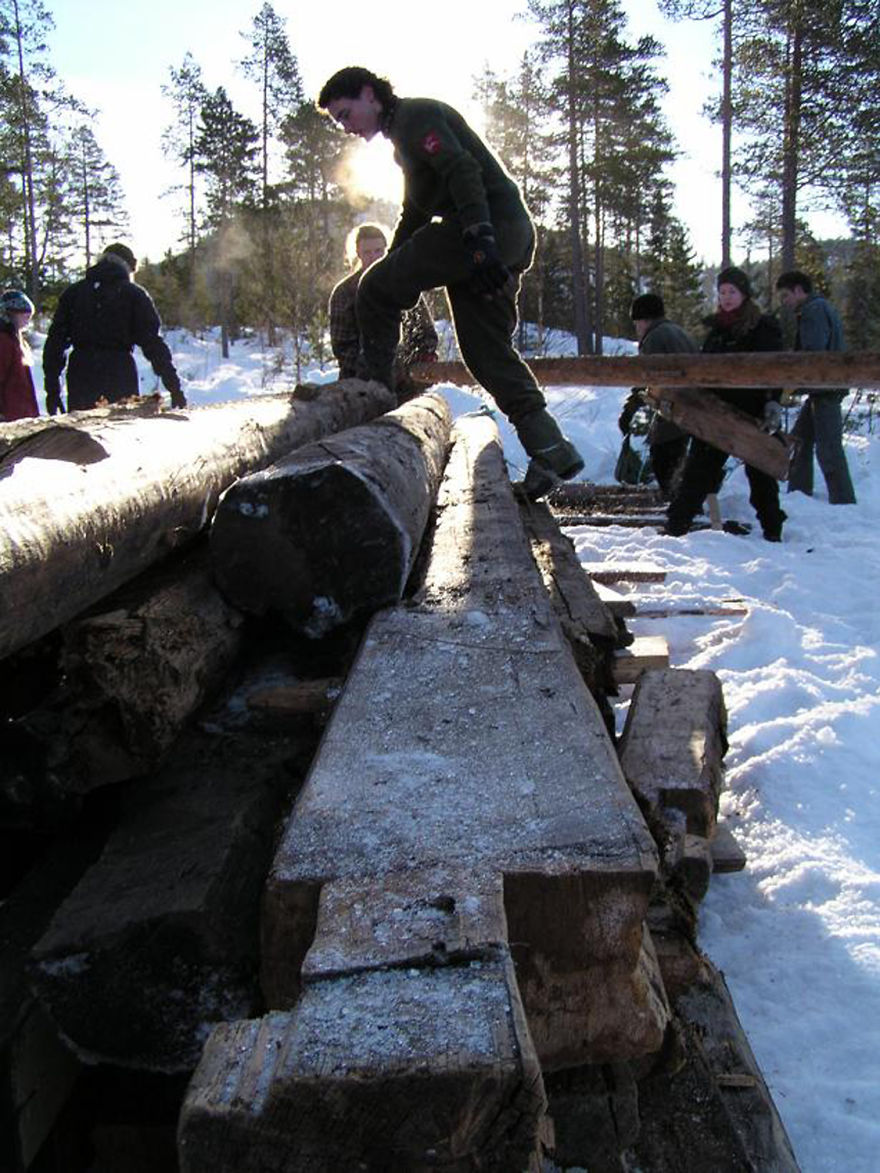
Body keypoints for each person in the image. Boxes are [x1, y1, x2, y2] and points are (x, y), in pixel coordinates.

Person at [317, 67, 583, 500]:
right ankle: (549, 447)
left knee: (372, 292)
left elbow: (462, 171)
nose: (347, 127)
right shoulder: (403, 140)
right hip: (504, 232)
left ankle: (375, 399)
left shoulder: (414, 118)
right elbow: (415, 215)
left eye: (346, 114)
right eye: (339, 122)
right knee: (485, 351)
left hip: (482, 228)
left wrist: (480, 239)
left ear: (370, 94)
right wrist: (392, 261)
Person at [665, 266, 788, 542]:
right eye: (722, 292)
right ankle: (675, 531)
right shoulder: (716, 330)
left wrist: (772, 402)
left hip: (752, 411)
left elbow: (775, 368)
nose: (727, 297)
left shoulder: (762, 327)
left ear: (744, 294)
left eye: (732, 291)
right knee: (697, 473)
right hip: (716, 414)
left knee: (761, 476)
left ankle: (773, 534)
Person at [42, 243, 185, 414]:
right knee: (120, 431)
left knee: (81, 433)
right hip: (119, 371)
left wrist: (52, 390)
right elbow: (153, 344)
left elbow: (55, 344)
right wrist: (174, 387)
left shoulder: (74, 293)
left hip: (81, 373)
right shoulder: (133, 294)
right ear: (128, 267)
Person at [775, 269, 856, 504]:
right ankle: (800, 495)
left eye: (786, 296)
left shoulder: (813, 311)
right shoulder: (818, 308)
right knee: (800, 441)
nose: (786, 302)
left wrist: (792, 382)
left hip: (826, 389)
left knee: (829, 451)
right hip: (820, 390)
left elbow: (813, 355)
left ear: (799, 290)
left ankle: (844, 503)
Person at [330, 222, 439, 390]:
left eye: (378, 251)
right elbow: (342, 348)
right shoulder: (344, 292)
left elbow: (426, 335)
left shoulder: (404, 285)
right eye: (367, 252)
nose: (374, 257)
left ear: (386, 250)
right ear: (358, 253)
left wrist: (414, 362)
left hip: (406, 384)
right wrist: (376, 369)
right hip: (359, 386)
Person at [618, 293, 696, 499]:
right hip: (693, 405)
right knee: (674, 456)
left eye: (636, 323)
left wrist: (629, 410)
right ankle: (679, 500)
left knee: (663, 456)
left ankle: (677, 503)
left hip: (676, 408)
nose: (637, 329)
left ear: (643, 320)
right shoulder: (677, 332)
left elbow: (645, 378)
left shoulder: (655, 337)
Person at [0, 289, 40, 422]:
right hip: (9, 417)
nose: (27, 320)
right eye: (24, 315)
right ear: (10, 314)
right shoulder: (4, 341)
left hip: (21, 414)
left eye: (29, 316)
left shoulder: (17, 340)